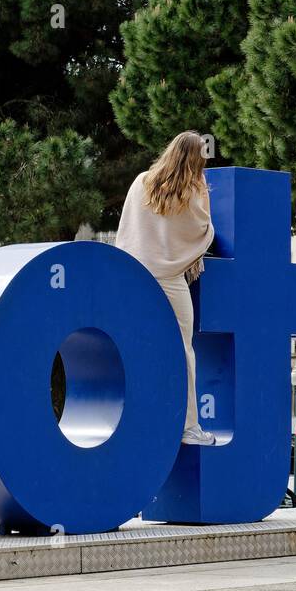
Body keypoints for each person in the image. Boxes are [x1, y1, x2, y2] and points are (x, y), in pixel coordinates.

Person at [115, 131, 218, 446]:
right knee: (183, 349)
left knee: (138, 347)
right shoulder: (194, 192)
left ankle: (137, 418)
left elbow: (129, 225)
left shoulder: (141, 182)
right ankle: (188, 427)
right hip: (169, 279)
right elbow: (202, 231)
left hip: (134, 276)